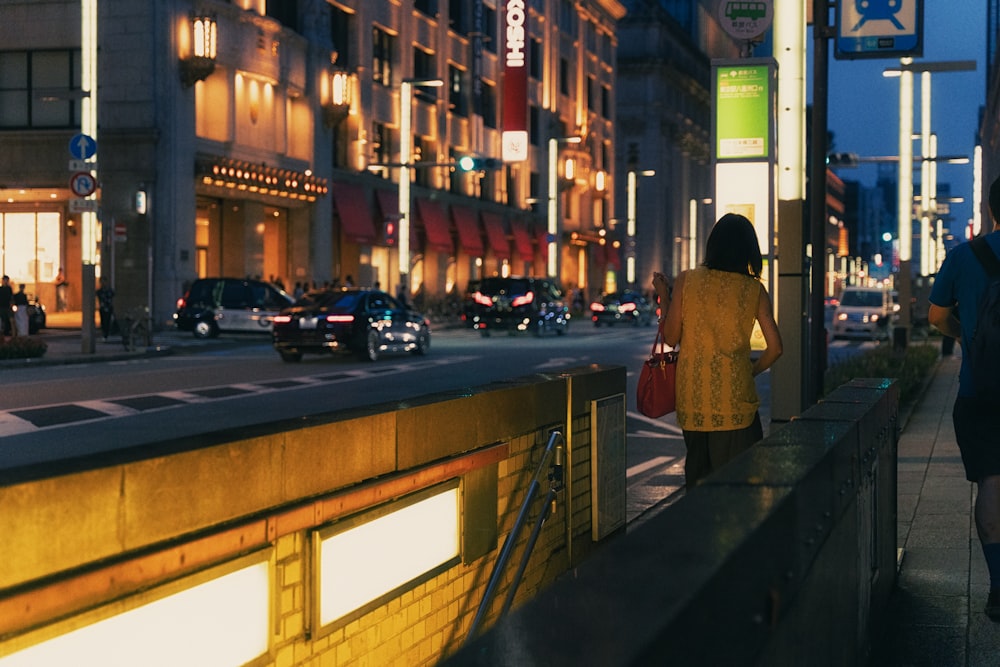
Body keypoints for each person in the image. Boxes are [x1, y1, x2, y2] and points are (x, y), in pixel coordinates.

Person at [651, 213, 783, 487]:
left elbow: (671, 337)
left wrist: (664, 295)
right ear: (749, 250)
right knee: (739, 487)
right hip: (735, 403)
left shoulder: (688, 280)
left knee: (698, 482)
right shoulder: (754, 289)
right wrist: (751, 371)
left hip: (693, 401)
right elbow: (776, 348)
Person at [927, 174, 1000, 622]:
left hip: (981, 389)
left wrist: (966, 336)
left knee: (992, 483)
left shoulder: (964, 257)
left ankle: (998, 586)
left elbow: (936, 316)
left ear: (992, 209)